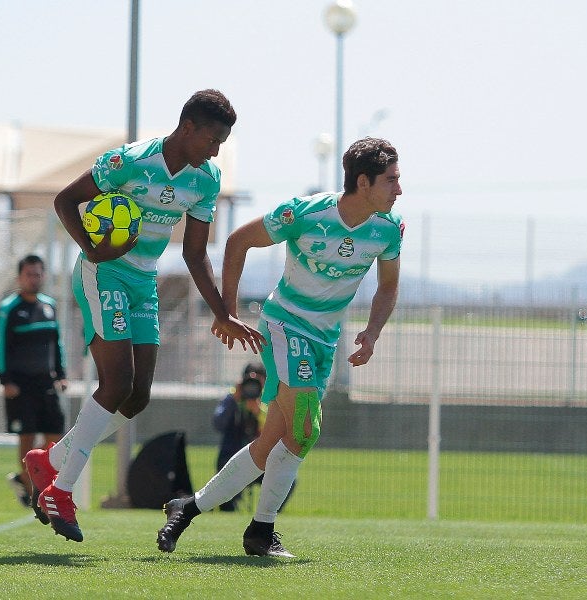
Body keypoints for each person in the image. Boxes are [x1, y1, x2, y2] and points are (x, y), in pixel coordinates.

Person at [24, 89, 264, 542]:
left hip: (143, 282)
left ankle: (50, 463)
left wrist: (223, 314)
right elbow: (65, 201)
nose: (217, 151)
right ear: (188, 127)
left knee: (136, 398)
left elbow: (195, 253)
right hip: (103, 274)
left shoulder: (206, 179)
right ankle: (62, 489)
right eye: (213, 139)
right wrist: (94, 250)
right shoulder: (129, 162)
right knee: (115, 385)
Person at [157, 136, 403, 558]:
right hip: (285, 325)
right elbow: (237, 242)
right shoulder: (306, 213)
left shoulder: (388, 229)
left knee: (273, 441)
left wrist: (373, 332)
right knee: (307, 427)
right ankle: (261, 530)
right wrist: (227, 312)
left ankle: (189, 507)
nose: (399, 189)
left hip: (323, 340)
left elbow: (389, 285)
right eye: (391, 180)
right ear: (363, 183)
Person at [0, 254, 69, 509]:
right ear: (20, 277)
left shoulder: (49, 305)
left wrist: (61, 374)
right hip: (20, 386)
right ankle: (32, 492)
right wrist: (5, 380)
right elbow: (0, 346)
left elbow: (56, 343)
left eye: (38, 274)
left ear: (44, 276)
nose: (34, 279)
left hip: (46, 383)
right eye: (29, 274)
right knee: (26, 437)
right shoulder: (9, 309)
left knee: (55, 438)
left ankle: (28, 477)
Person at [212, 362, 265, 512]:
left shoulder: (268, 400)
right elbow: (218, 423)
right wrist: (234, 400)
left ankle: (269, 514)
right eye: (249, 380)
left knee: (288, 480)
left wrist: (258, 411)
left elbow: (272, 433)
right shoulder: (232, 398)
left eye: (257, 380)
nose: (252, 386)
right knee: (227, 505)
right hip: (230, 458)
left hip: (260, 461)